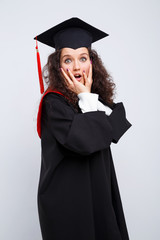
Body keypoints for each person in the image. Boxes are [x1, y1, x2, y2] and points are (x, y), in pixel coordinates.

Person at [34, 17, 132, 240]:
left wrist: (85, 96)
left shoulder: (92, 100)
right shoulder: (54, 103)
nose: (76, 67)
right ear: (58, 67)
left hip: (98, 194)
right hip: (68, 204)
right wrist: (85, 97)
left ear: (92, 63)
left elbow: (115, 125)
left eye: (83, 58)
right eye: (68, 60)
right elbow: (84, 141)